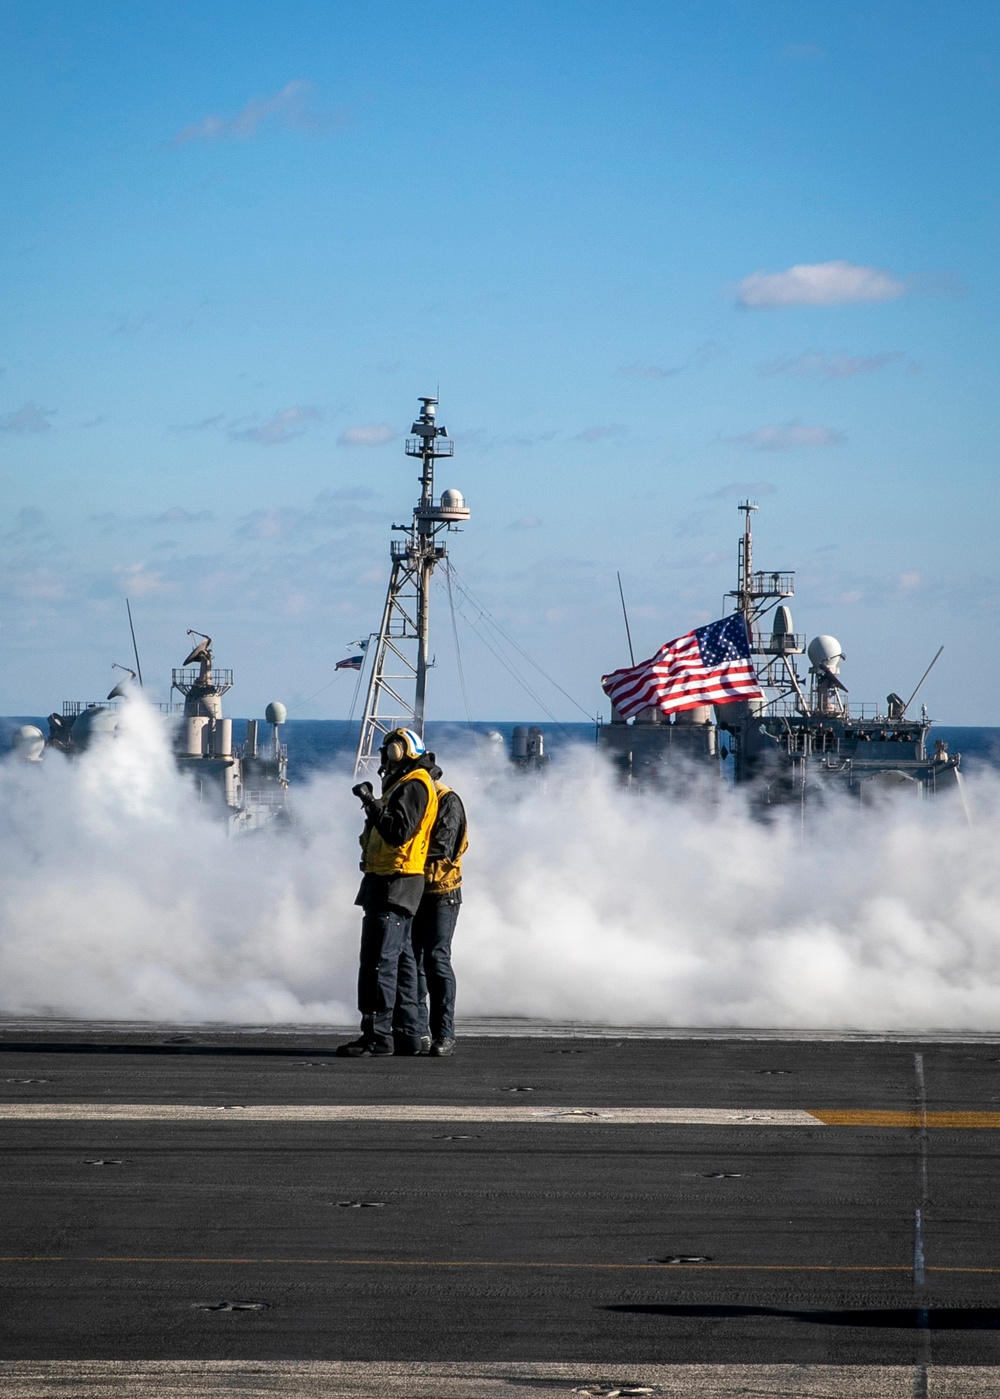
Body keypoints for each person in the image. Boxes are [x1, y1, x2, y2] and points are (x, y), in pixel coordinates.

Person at [337, 728, 439, 1058]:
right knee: (404, 962)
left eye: (386, 752)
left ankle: (377, 1036)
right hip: (396, 882)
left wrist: (371, 802)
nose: (384, 759)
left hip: (394, 882)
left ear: (397, 752)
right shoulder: (411, 784)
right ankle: (407, 1034)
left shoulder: (413, 785)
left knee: (378, 962)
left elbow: (397, 832)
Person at [410, 762, 467, 1057]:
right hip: (415, 889)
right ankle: (419, 1031)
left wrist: (404, 852)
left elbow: (443, 846)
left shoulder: (447, 801)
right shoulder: (420, 798)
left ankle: (444, 1033)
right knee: (413, 961)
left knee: (435, 958)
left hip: (443, 891)